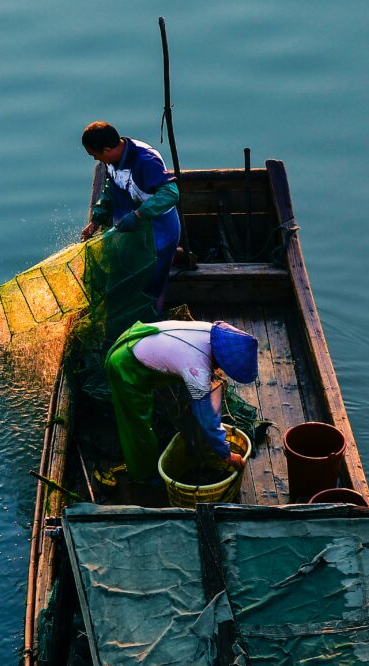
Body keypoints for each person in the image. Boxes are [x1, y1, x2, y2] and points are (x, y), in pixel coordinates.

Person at [104, 319, 259, 482]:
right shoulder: (197, 363)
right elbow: (206, 417)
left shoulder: (210, 332)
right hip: (125, 363)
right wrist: (226, 454)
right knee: (137, 427)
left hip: (139, 336)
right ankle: (144, 476)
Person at [80, 121, 181, 311]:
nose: (95, 159)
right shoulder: (110, 161)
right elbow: (109, 190)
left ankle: (150, 319)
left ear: (108, 149)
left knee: (150, 285)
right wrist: (96, 221)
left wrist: (139, 214)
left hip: (158, 233)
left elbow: (171, 193)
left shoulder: (145, 161)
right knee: (125, 277)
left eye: (94, 155)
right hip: (128, 230)